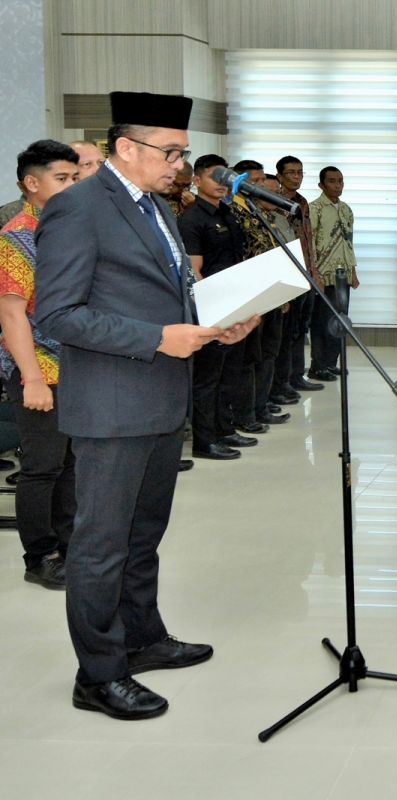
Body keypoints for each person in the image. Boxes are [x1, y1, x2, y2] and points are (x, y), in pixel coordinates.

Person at [35, 91, 258, 720]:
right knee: (100, 545)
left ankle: (143, 638)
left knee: (142, 536)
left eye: (184, 154)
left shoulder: (157, 206)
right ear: (125, 148)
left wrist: (217, 322)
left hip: (160, 399)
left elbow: (169, 292)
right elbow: (58, 314)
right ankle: (98, 674)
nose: (181, 166)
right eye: (171, 153)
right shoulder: (77, 208)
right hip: (110, 405)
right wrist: (158, 338)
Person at [0, 140, 79, 589]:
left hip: (73, 367)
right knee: (42, 466)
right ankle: (40, 556)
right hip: (36, 370)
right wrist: (31, 378)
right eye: (62, 178)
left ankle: (69, 547)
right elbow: (12, 313)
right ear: (32, 183)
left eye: (75, 178)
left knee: (70, 464)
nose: (72, 186)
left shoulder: (65, 228)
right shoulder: (17, 237)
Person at [179, 154, 257, 461]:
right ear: (197, 181)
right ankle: (205, 439)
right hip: (211, 308)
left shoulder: (228, 212)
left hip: (235, 302)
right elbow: (194, 271)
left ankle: (226, 429)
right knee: (207, 378)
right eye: (215, 178)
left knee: (230, 372)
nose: (222, 184)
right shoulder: (191, 219)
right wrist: (210, 311)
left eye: (226, 178)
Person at [227, 159, 291, 426]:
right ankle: (246, 414)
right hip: (248, 293)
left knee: (268, 352)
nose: (260, 186)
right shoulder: (232, 211)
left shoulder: (258, 210)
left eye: (261, 181)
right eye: (253, 182)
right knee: (249, 358)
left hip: (271, 291)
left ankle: (261, 406)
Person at [275, 155, 324, 394]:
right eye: (292, 173)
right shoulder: (274, 201)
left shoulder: (303, 202)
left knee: (300, 329)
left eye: (300, 172)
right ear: (280, 177)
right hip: (285, 275)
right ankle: (282, 381)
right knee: (286, 332)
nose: (297, 177)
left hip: (305, 272)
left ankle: (297, 375)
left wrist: (313, 270)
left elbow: (308, 237)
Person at [308, 165, 358, 379]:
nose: (337, 185)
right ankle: (318, 365)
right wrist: (314, 273)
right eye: (332, 181)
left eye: (340, 181)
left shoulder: (346, 209)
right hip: (323, 273)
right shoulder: (314, 208)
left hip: (342, 274)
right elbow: (309, 242)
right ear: (321, 184)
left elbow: (349, 242)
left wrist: (353, 271)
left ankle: (331, 362)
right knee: (321, 321)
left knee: (340, 320)